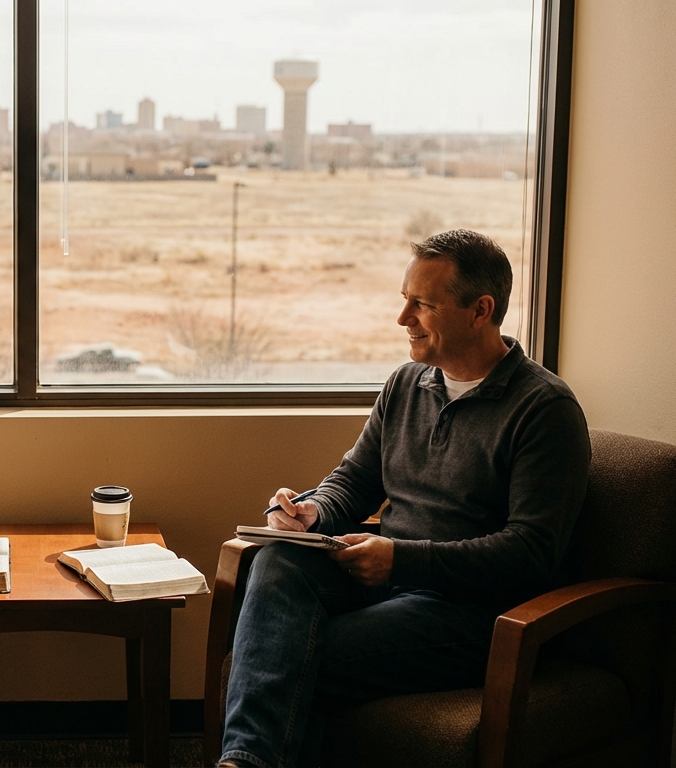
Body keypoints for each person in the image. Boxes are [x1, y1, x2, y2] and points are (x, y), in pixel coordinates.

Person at [219, 230, 591, 768]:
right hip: (387, 578)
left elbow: (531, 553)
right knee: (277, 559)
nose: (403, 319)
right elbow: (354, 479)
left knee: (293, 653)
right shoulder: (407, 383)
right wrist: (312, 510)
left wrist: (400, 558)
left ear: (480, 310)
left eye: (423, 304)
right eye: (404, 300)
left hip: (471, 611)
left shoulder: (544, 410)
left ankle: (249, 760)